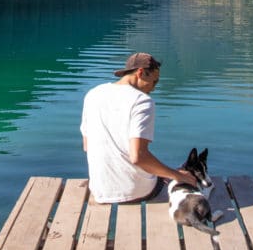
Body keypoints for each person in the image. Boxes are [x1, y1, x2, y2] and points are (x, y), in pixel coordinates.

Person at [80, 52, 196, 203]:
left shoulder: (93, 94)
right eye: (154, 82)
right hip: (135, 191)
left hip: (99, 190)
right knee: (181, 179)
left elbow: (87, 146)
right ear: (140, 73)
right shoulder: (142, 101)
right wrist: (177, 175)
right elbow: (138, 157)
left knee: (160, 171)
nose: (153, 88)